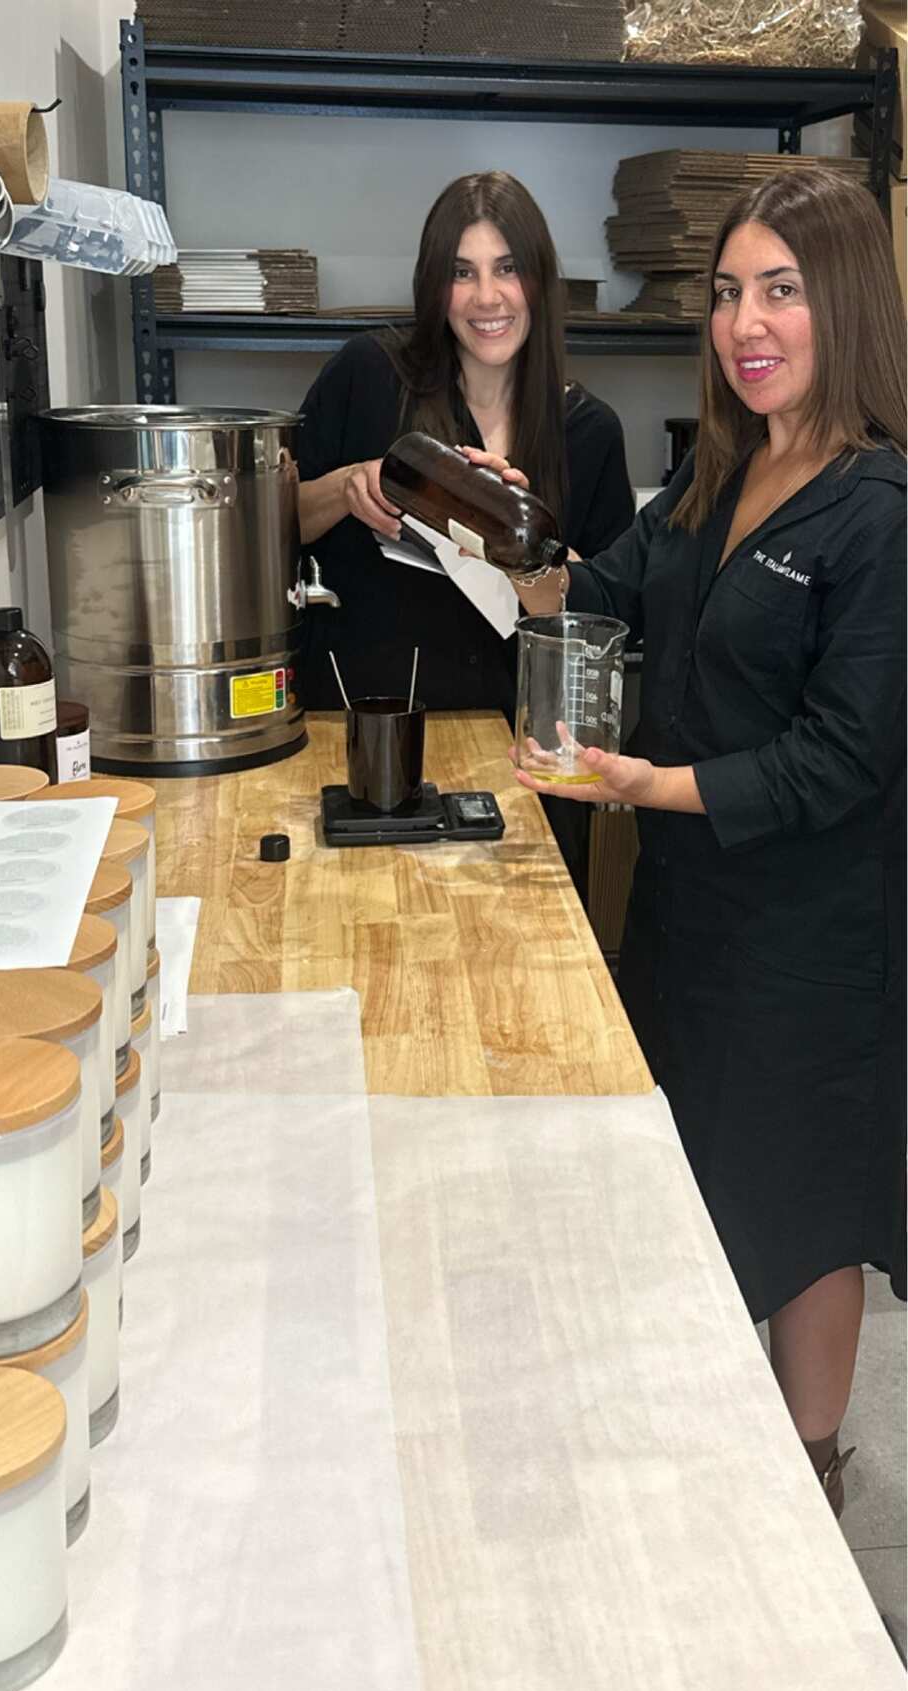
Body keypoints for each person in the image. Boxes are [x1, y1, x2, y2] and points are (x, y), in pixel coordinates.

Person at [476, 166, 906, 1517]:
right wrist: (491, 523)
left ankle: (809, 1469)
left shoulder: (880, 509)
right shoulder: (715, 478)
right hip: (690, 919)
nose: (743, 322)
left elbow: (846, 755)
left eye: (780, 290)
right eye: (727, 292)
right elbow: (596, 591)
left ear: (844, 303)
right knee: (703, 1170)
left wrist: (642, 784)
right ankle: (723, 1443)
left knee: (805, 1203)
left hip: (813, 937)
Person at [296, 171, 634, 888]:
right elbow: (280, 524)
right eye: (462, 273)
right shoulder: (368, 375)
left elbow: (594, 631)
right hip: (367, 745)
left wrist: (528, 546)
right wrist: (350, 482)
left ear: (540, 282)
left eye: (507, 269)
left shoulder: (588, 433)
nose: (488, 298)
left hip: (518, 763)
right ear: (433, 285)